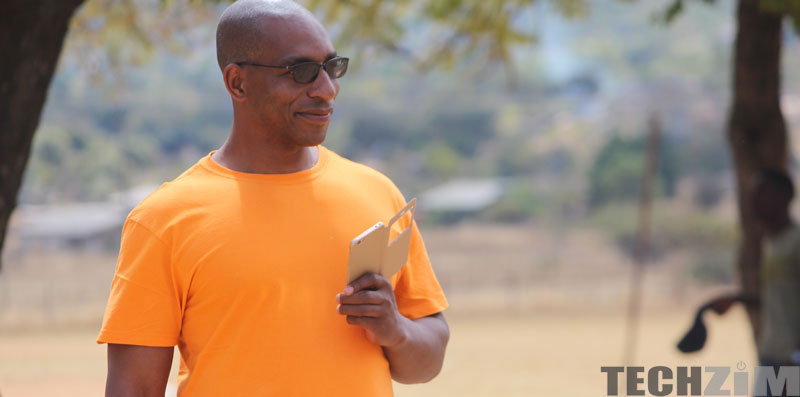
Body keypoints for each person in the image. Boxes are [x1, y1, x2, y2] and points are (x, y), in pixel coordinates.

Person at [96, 1, 449, 395]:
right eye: (300, 73)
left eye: (332, 68)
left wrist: (395, 330)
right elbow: (134, 389)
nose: (326, 90)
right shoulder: (165, 219)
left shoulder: (377, 193)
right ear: (238, 83)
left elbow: (428, 361)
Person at [705, 169, 800, 396]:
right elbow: (780, 297)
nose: (755, 202)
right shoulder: (770, 244)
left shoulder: (796, 243)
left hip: (791, 359)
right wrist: (737, 299)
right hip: (771, 353)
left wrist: (796, 359)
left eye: (762, 194)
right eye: (752, 195)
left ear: (786, 196)